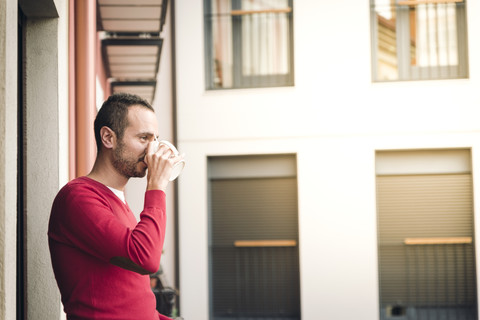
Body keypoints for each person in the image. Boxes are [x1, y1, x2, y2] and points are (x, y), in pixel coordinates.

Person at [48, 93, 182, 320]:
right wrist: (157, 186)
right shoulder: (78, 198)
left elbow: (131, 297)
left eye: (155, 139)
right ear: (108, 138)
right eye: (143, 138)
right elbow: (145, 259)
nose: (153, 150)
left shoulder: (118, 200)